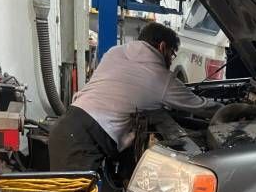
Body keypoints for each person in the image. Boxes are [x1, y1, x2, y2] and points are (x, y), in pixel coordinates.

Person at [48, 22, 220, 175]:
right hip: (84, 143)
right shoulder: (161, 79)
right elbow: (201, 107)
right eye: (172, 54)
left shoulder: (115, 52)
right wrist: (236, 110)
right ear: (162, 47)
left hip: (68, 124)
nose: (171, 60)